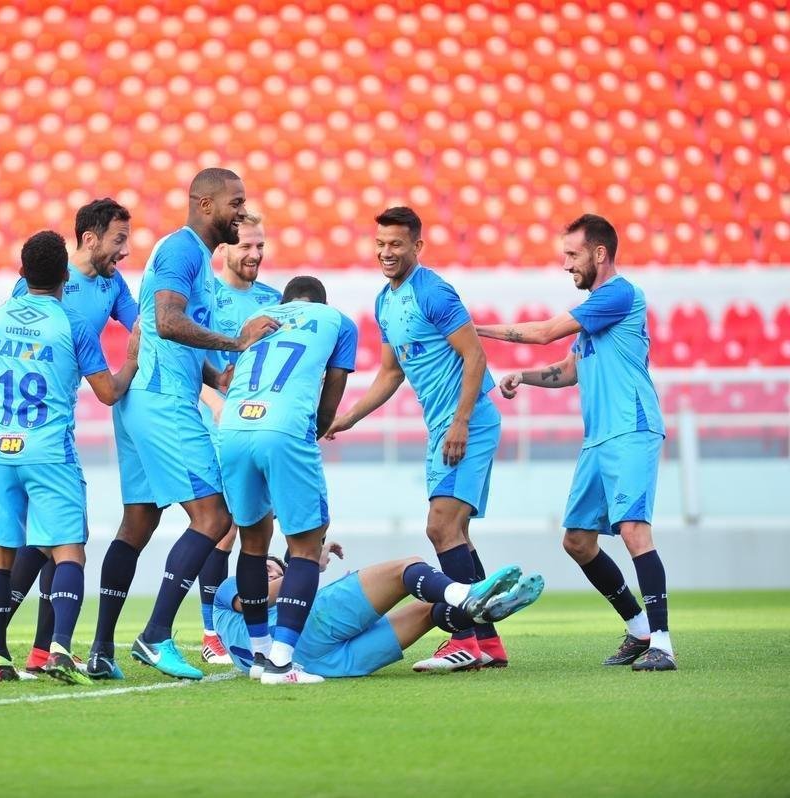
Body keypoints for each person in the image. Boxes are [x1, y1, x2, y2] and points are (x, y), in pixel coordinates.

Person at [86, 167, 279, 681]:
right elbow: (168, 323)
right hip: (163, 401)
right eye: (236, 202)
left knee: (139, 523)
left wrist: (223, 377)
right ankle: (154, 636)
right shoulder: (183, 250)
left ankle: (101, 649)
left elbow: (184, 344)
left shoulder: (198, 260)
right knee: (214, 517)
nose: (242, 210)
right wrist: (235, 342)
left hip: (149, 398)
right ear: (205, 204)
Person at [474, 214, 675, 672]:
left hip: (631, 428)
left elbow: (544, 332)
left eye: (572, 254)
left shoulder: (620, 294)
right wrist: (523, 377)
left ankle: (663, 642)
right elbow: (568, 370)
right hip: (599, 438)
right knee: (578, 541)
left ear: (599, 253)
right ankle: (639, 629)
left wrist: (474, 329)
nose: (566, 265)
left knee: (633, 531)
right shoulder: (595, 318)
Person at [326, 206, 510, 673]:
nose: (387, 252)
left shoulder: (434, 292)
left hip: (466, 423)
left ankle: (465, 636)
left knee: (440, 528)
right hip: (443, 426)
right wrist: (349, 417)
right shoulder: (384, 302)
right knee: (456, 533)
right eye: (381, 244)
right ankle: (487, 642)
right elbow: (390, 372)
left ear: (417, 247)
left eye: (396, 244)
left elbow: (476, 358)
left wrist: (461, 422)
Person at [0, 198, 139, 678]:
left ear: (23, 272)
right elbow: (107, 392)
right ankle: (57, 647)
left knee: (1, 550)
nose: (124, 250)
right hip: (48, 448)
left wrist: (21, 358)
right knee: (68, 549)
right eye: (120, 239)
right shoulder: (74, 324)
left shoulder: (0, 314)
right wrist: (133, 364)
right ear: (65, 275)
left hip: (0, 448)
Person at [218, 275, 356, 684]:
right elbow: (331, 394)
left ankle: (260, 655)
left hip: (233, 426)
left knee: (252, 543)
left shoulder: (259, 316)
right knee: (306, 547)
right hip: (283, 428)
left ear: (285, 302)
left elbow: (231, 373)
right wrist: (314, 433)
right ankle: (281, 663)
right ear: (320, 300)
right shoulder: (337, 320)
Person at [213, 545, 545, 679]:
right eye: (268, 569)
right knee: (406, 568)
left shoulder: (226, 619)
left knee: (430, 610)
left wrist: (306, 566)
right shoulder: (232, 587)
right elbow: (260, 596)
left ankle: (481, 612)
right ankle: (465, 593)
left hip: (326, 665)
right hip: (312, 626)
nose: (273, 573)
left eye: (278, 569)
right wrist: (306, 564)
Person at [196, 210, 282, 665]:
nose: (254, 253)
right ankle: (211, 632)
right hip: (219, 429)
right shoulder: (205, 298)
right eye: (246, 245)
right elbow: (190, 366)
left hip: (261, 430)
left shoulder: (275, 300)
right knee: (221, 529)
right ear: (224, 248)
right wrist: (215, 403)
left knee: (255, 531)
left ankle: (253, 631)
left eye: (260, 245)